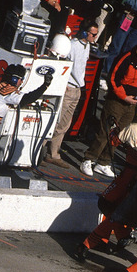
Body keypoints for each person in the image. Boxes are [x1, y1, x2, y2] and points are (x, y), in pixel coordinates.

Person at [73, 101, 137, 261]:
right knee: (118, 212)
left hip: (127, 176)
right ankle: (121, 238)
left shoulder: (132, 128)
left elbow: (115, 141)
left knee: (106, 204)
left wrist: (114, 131)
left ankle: (88, 245)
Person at [81, 34, 137, 178]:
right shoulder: (127, 58)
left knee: (119, 135)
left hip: (134, 105)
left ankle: (103, 162)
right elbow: (113, 79)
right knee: (105, 131)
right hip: (116, 102)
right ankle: (88, 159)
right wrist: (124, 97)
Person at [0, 64, 53, 176]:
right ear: (14, 79)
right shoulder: (9, 93)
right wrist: (45, 86)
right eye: (21, 79)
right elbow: (28, 98)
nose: (21, 82)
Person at [44, 20, 98, 169]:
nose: (95, 37)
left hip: (77, 88)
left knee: (65, 124)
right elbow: (62, 62)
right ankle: (38, 150)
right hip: (68, 87)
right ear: (86, 32)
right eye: (93, 34)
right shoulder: (73, 45)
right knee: (55, 120)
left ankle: (53, 153)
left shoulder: (87, 46)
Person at [100, 0, 137, 84]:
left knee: (129, 51)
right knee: (116, 46)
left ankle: (119, 76)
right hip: (129, 14)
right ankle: (105, 74)